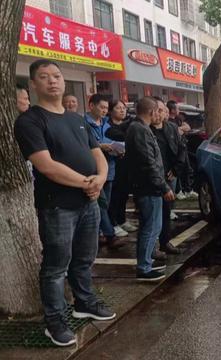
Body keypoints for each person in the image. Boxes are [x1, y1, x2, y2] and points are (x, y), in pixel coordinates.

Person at [13, 59, 116, 347]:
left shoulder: (76, 118)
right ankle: (55, 319)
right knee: (56, 266)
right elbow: (45, 165)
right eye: (44, 77)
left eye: (56, 75)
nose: (52, 81)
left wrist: (100, 178)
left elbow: (97, 153)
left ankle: (84, 301)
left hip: (88, 203)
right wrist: (88, 183)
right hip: (57, 205)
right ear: (34, 84)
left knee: (84, 259)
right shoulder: (30, 121)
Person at [125, 96, 174, 282]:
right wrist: (163, 186)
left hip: (148, 186)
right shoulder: (140, 130)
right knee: (151, 227)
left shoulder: (139, 128)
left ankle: (146, 261)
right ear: (152, 112)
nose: (160, 115)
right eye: (159, 111)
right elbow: (148, 163)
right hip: (148, 188)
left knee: (152, 226)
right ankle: (144, 267)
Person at [85, 94, 128, 244]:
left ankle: (101, 232)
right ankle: (108, 234)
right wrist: (99, 146)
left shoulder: (106, 124)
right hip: (92, 169)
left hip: (109, 168)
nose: (104, 111)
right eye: (101, 107)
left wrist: (118, 149)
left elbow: (114, 139)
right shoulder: (83, 123)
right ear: (91, 106)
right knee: (100, 202)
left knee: (105, 202)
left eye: (106, 108)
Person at [152, 98, 186, 255]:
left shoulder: (171, 128)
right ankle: (151, 248)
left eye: (163, 110)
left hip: (169, 175)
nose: (161, 113)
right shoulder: (143, 129)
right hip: (151, 178)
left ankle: (165, 242)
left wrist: (176, 169)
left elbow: (181, 149)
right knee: (151, 215)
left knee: (166, 211)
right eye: (158, 110)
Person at [105, 100, 138, 235]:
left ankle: (122, 219)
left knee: (124, 194)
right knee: (114, 195)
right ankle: (113, 223)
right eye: (118, 108)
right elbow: (115, 136)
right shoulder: (107, 126)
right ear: (111, 110)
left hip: (126, 165)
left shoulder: (130, 125)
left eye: (123, 108)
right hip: (113, 165)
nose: (122, 110)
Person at [166, 100, 196, 200]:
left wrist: (180, 129)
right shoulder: (167, 122)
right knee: (177, 170)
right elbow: (177, 131)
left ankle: (188, 190)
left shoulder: (178, 119)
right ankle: (178, 191)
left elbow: (187, 127)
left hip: (183, 147)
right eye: (177, 108)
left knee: (187, 168)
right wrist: (179, 130)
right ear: (172, 110)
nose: (179, 110)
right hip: (175, 149)